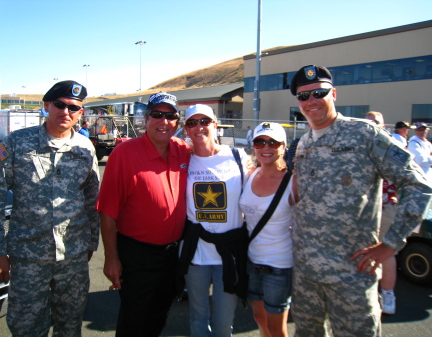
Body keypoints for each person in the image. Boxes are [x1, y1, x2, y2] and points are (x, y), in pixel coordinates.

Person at [289, 65, 432, 337]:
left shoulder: (365, 134)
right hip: (307, 274)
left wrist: (391, 244)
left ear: (333, 93)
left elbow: (418, 184)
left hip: (351, 275)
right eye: (303, 96)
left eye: (318, 93)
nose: (311, 101)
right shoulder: (303, 143)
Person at [0, 80, 100, 336]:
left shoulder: (85, 148)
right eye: (60, 104)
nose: (66, 112)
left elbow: (92, 200)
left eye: (74, 107)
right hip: (27, 259)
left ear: (81, 112)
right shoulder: (16, 144)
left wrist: (91, 243)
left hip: (73, 257)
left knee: (70, 326)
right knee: (26, 328)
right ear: (47, 105)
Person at [95, 92, 191, 337]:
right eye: (157, 115)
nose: (164, 121)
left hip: (173, 254)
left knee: (159, 315)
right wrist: (111, 258)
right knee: (134, 321)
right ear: (145, 119)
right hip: (137, 255)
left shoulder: (183, 150)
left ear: (177, 123)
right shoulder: (124, 154)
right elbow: (107, 212)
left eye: (170, 116)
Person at [178, 104, 249, 337]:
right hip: (195, 254)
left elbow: (258, 195)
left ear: (215, 124)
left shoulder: (238, 157)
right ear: (186, 130)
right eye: (192, 123)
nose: (199, 127)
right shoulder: (182, 161)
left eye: (204, 121)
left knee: (223, 324)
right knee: (198, 318)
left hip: (228, 254)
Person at [239, 122, 295, 337]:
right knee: (259, 318)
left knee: (276, 328)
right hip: (253, 262)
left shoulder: (292, 181)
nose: (266, 147)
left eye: (273, 142)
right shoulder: (250, 174)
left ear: (283, 147)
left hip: (280, 266)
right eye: (260, 142)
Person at [365, 111, 398, 315]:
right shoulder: (361, 143)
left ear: (384, 125)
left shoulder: (391, 145)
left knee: (385, 251)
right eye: (368, 122)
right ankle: (371, 292)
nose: (372, 126)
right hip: (363, 210)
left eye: (376, 122)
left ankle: (388, 294)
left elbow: (412, 179)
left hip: (385, 206)